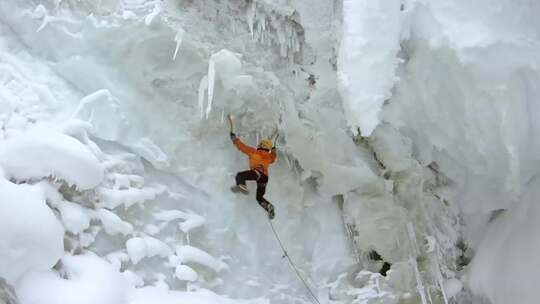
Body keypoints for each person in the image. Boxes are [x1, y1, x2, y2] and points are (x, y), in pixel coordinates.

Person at [229, 131, 277, 219]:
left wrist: (234, 139)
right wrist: (273, 151)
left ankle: (242, 185)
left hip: (257, 173)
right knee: (259, 198)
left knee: (240, 175)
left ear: (261, 145)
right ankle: (269, 207)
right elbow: (273, 158)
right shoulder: (269, 157)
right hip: (264, 178)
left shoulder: (254, 152)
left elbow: (242, 147)